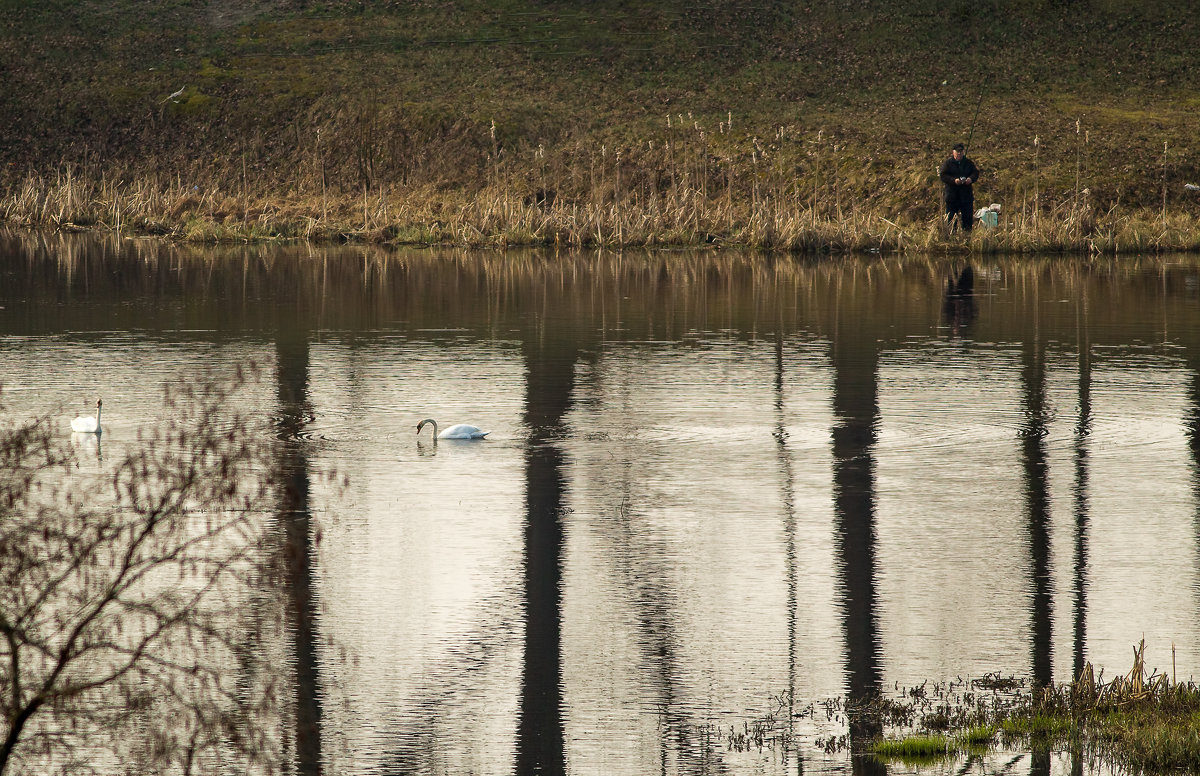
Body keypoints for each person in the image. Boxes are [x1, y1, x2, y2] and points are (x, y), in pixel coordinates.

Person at [938, 142, 979, 234]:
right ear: (953, 152)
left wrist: (970, 179)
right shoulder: (948, 163)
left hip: (966, 196)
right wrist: (954, 181)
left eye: (961, 151)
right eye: (957, 151)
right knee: (951, 218)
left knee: (967, 218)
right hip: (952, 196)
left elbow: (975, 173)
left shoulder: (968, 163)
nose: (959, 153)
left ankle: (967, 236)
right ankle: (952, 236)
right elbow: (943, 175)